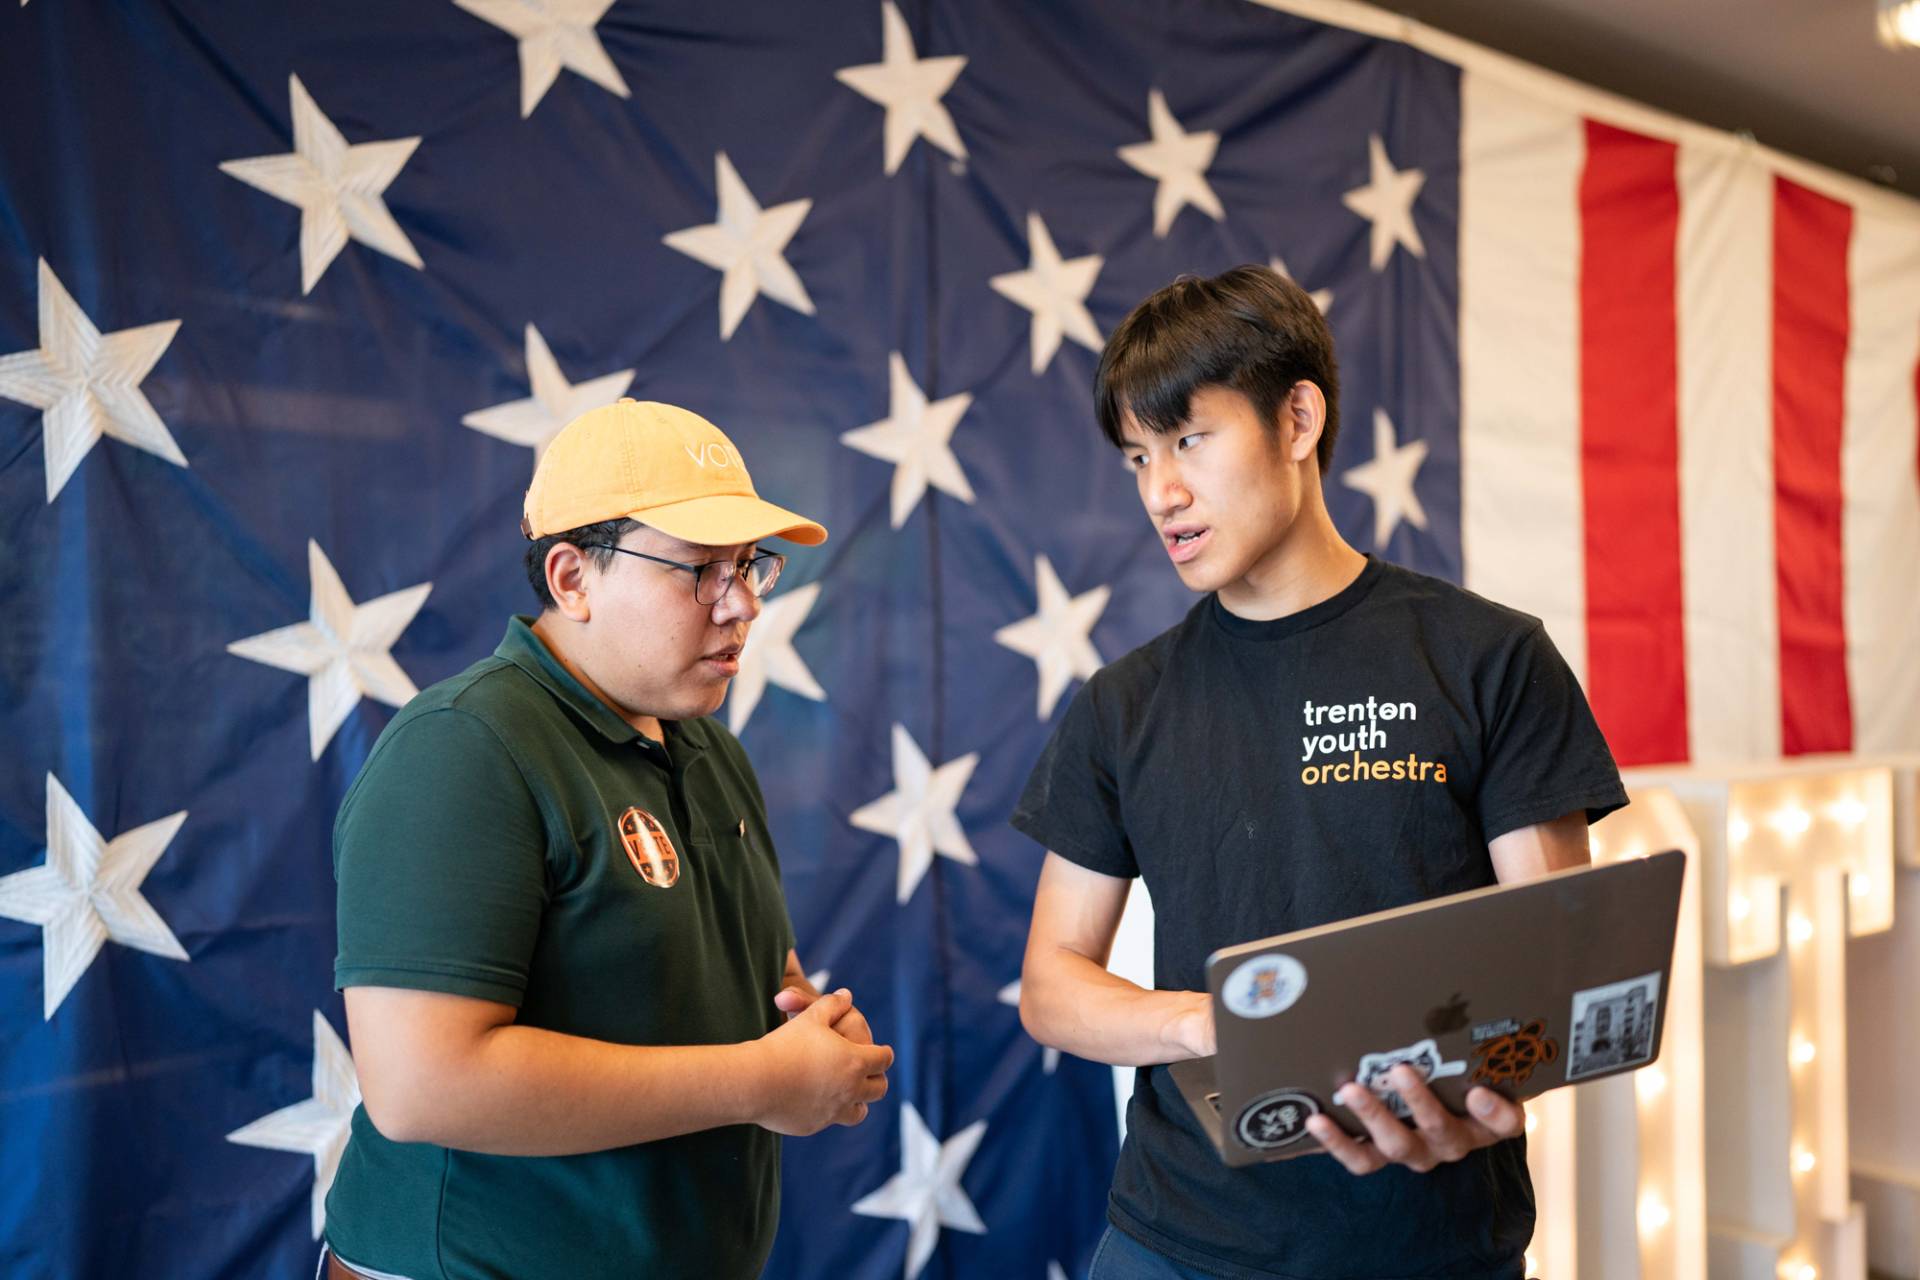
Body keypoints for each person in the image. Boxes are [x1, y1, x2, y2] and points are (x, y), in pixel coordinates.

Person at [1013, 266, 1629, 1280]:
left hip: (1431, 1241)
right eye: (1136, 457)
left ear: (1297, 418)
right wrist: (1224, 1023)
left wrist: (1477, 1098)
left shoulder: (1489, 657)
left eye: (1188, 439)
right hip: (1173, 1239)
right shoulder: (1125, 702)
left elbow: (1554, 969)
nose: (1160, 492)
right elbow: (1052, 984)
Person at [324, 399, 892, 1280]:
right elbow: (418, 1084)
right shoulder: (467, 746)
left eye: (748, 565)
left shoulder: (709, 748)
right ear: (572, 578)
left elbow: (753, 973)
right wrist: (761, 1080)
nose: (741, 603)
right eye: (701, 569)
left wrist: (810, 1032)